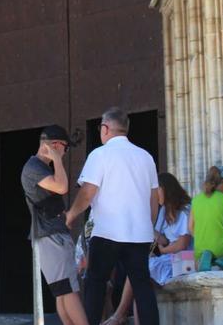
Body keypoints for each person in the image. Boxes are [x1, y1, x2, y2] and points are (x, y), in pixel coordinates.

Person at [66, 107, 160, 325]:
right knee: (142, 287)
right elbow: (154, 199)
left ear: (105, 128)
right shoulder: (145, 157)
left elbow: (88, 192)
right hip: (139, 235)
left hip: (107, 232)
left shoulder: (100, 154)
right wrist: (149, 226)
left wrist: (71, 214)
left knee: (95, 284)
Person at [102, 173, 192, 325]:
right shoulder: (164, 211)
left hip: (184, 260)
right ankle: (127, 317)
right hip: (169, 258)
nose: (154, 195)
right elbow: (162, 239)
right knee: (140, 282)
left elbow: (182, 244)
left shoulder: (184, 211)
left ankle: (119, 315)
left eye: (156, 190)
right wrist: (144, 221)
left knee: (138, 271)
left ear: (165, 189)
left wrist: (162, 251)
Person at [21, 125, 89, 325]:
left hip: (48, 235)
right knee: (67, 289)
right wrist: (57, 159)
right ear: (55, 145)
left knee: (61, 290)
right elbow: (61, 186)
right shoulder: (34, 167)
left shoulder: (37, 168)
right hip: (51, 235)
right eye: (64, 148)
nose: (65, 152)